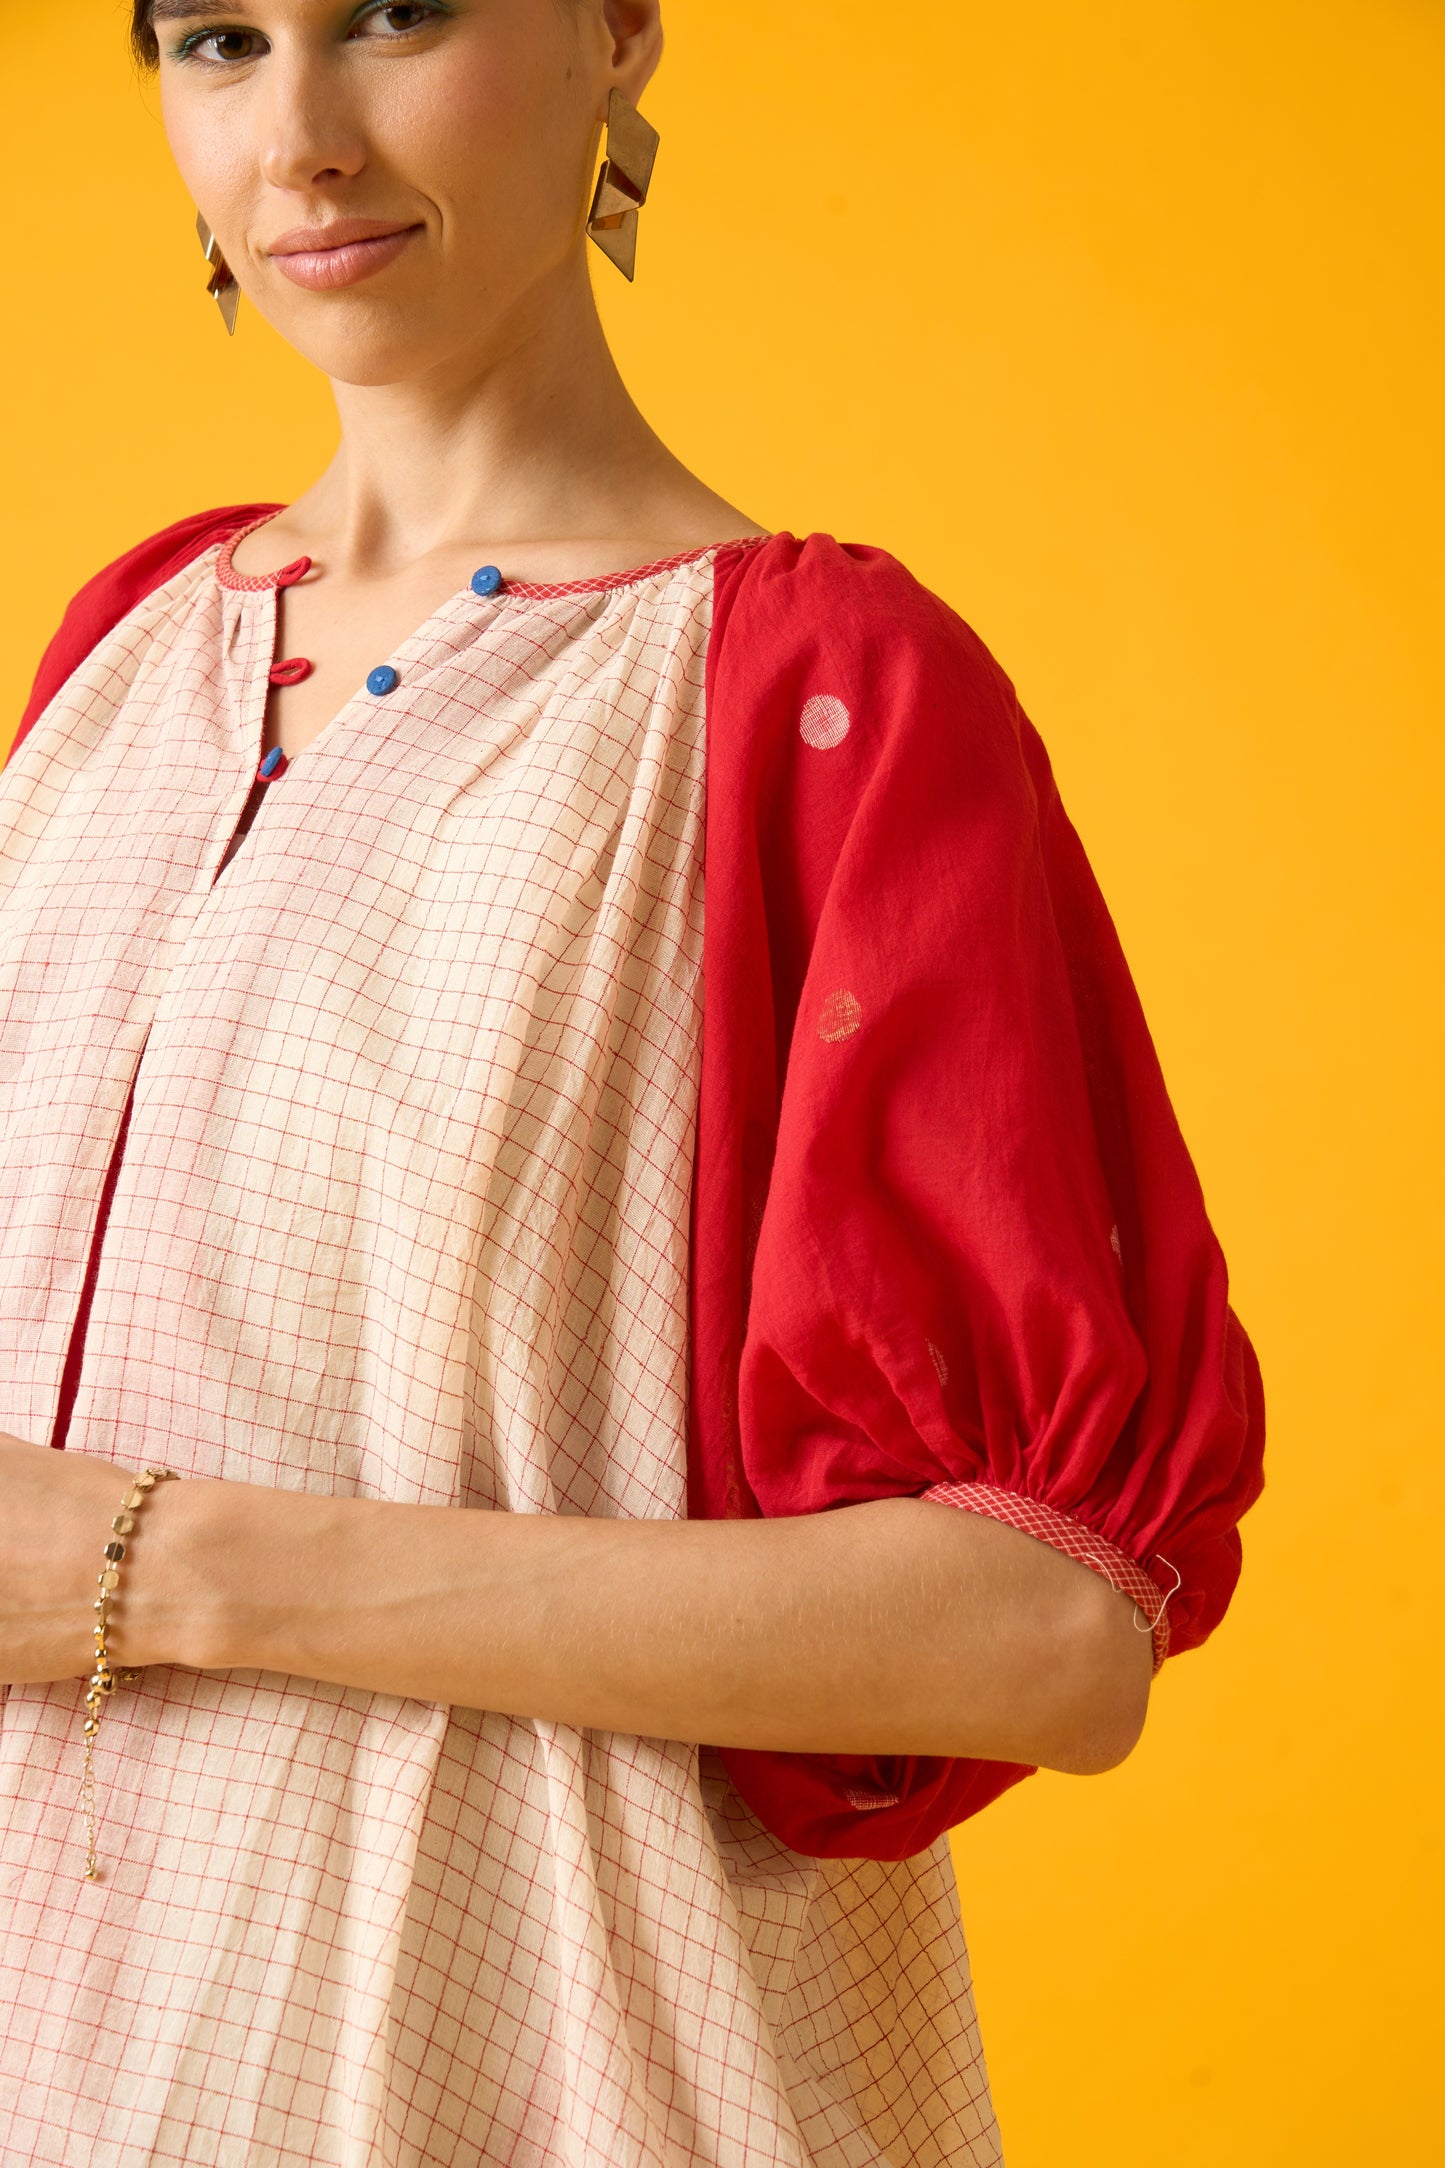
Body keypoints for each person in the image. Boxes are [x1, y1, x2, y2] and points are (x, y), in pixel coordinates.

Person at [0, 3, 1266, 2162]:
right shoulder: (124, 657)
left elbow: (1044, 1628)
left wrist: (156, 1566)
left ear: (613, 32)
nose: (300, 138)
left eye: (396, 15)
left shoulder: (820, 699)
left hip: (547, 2075)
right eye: (218, 37)